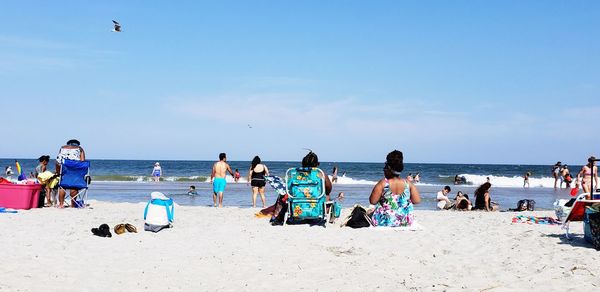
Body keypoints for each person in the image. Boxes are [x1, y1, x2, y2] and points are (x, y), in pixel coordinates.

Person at [369, 150, 421, 227]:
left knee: (370, 212)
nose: (383, 169)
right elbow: (417, 201)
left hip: (385, 221)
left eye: (385, 167)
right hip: (405, 221)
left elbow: (372, 201)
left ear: (389, 168)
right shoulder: (408, 184)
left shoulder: (383, 183)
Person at [55, 139, 86, 208]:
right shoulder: (80, 149)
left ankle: (61, 204)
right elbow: (83, 162)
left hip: (64, 169)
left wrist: (58, 172)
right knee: (74, 185)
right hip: (75, 169)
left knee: (62, 186)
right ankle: (73, 204)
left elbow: (58, 161)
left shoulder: (62, 148)